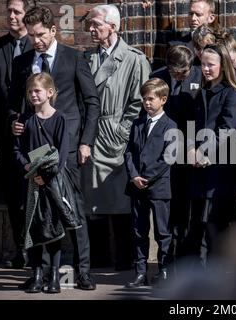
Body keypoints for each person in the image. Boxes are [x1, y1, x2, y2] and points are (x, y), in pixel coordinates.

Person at [8, 5, 100, 290]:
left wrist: (85, 141)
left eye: (40, 35)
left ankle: (83, 271)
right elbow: (14, 103)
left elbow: (91, 102)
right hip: (35, 149)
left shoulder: (74, 58)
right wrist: (14, 122)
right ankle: (40, 272)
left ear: (52, 30)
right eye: (31, 35)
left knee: (72, 209)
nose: (35, 40)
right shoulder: (22, 62)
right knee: (36, 210)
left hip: (67, 148)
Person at [82, 4, 151, 271]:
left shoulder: (134, 59)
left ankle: (125, 259)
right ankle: (97, 259)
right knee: (93, 200)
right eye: (90, 24)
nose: (91, 29)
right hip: (92, 136)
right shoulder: (86, 58)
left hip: (118, 139)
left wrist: (122, 131)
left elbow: (140, 102)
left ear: (113, 26)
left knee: (122, 201)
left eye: (97, 24)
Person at [13, 72, 80, 294]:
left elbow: (61, 154)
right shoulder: (24, 120)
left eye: (37, 91)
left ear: (49, 93)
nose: (33, 95)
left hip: (52, 182)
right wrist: (28, 169)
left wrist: (47, 175)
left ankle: (54, 276)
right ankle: (36, 274)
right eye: (30, 91)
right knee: (32, 228)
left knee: (53, 229)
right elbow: (17, 149)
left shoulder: (60, 118)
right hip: (31, 182)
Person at [184, 43, 236, 269]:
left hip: (220, 169)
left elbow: (228, 129)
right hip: (198, 168)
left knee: (216, 225)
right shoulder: (200, 92)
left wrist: (203, 150)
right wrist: (191, 148)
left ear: (223, 65)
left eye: (211, 65)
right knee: (198, 224)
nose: (206, 69)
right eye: (203, 64)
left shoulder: (232, 94)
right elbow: (192, 125)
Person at [124, 78, 177, 287]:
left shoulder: (170, 125)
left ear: (163, 99)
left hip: (159, 186)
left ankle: (164, 270)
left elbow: (168, 157)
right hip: (137, 186)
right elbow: (129, 152)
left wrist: (148, 177)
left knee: (162, 232)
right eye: (144, 99)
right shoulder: (137, 123)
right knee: (139, 231)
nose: (146, 103)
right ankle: (140, 272)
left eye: (151, 99)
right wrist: (134, 175)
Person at [151, 45, 201, 263]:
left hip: (191, 150)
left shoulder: (200, 76)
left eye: (184, 72)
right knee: (167, 209)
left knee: (189, 209)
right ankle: (166, 260)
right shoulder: (157, 77)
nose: (180, 76)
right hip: (164, 152)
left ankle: (187, 256)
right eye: (175, 72)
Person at [0, 0, 34, 269]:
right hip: (4, 136)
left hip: (34, 135)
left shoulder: (38, 47)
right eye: (8, 11)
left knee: (35, 193)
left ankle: (38, 250)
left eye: (17, 11)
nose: (11, 16)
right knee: (13, 195)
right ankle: (21, 249)